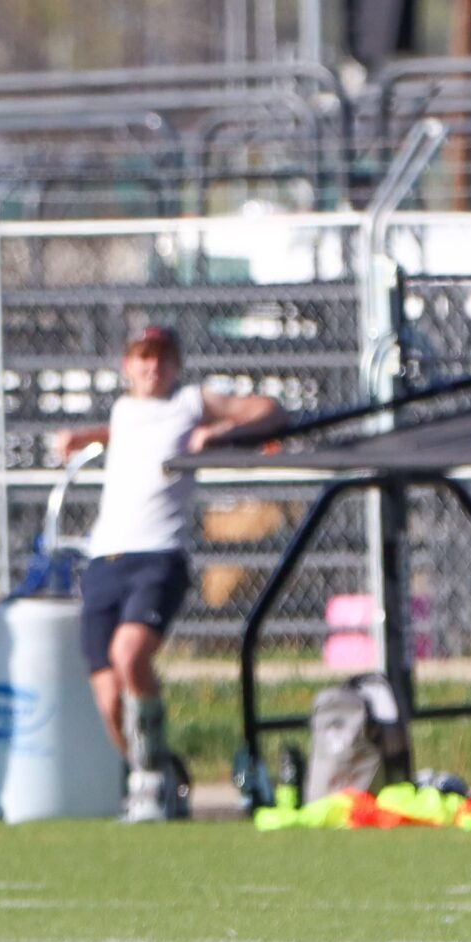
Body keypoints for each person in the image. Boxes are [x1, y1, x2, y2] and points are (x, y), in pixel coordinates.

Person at [51, 323, 284, 823]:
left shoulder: (191, 404)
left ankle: (150, 786)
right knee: (108, 695)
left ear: (175, 365)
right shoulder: (123, 410)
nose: (152, 366)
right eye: (142, 356)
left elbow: (268, 411)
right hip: (104, 560)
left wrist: (220, 433)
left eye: (162, 357)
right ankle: (157, 775)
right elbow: (126, 433)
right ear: (126, 365)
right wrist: (82, 437)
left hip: (156, 557)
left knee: (129, 654)